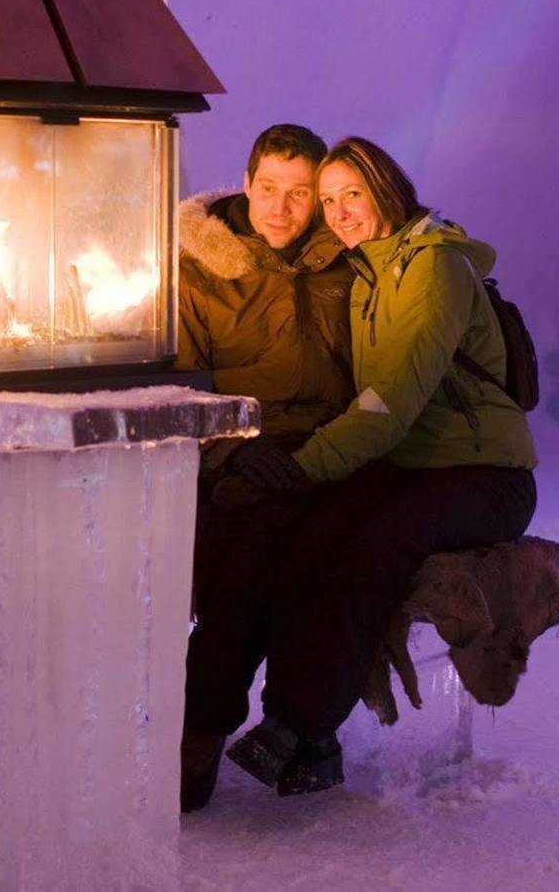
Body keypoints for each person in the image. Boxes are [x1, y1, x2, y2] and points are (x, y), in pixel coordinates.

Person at [216, 135, 538, 797]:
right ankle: (315, 741)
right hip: (418, 467)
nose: (338, 212)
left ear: (385, 187)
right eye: (327, 200)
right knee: (313, 531)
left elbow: (387, 404)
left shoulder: (433, 269)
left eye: (351, 194)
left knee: (377, 539)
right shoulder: (369, 276)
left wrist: (305, 465)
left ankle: (294, 722)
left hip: (488, 477)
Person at [176, 122, 354, 812]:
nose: (280, 208)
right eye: (269, 188)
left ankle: (307, 728)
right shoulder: (202, 270)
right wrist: (235, 449)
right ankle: (201, 730)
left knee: (325, 553)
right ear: (246, 184)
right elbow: (185, 387)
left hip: (332, 457)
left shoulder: (347, 262)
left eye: (299, 193)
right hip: (241, 458)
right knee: (244, 560)